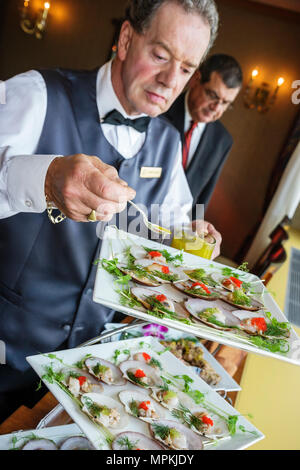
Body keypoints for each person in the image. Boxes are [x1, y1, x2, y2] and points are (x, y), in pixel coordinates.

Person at [0, 0, 221, 421]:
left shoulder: (168, 143)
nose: (171, 80)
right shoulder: (37, 92)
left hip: (84, 377)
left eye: (188, 68)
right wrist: (44, 180)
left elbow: (170, 229)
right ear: (124, 39)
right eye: (160, 55)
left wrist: (196, 237)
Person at [164, 54, 242, 216]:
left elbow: (203, 198)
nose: (216, 108)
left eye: (226, 103)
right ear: (196, 80)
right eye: (213, 95)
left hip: (176, 231)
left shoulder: (223, 140)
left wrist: (192, 232)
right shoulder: (161, 109)